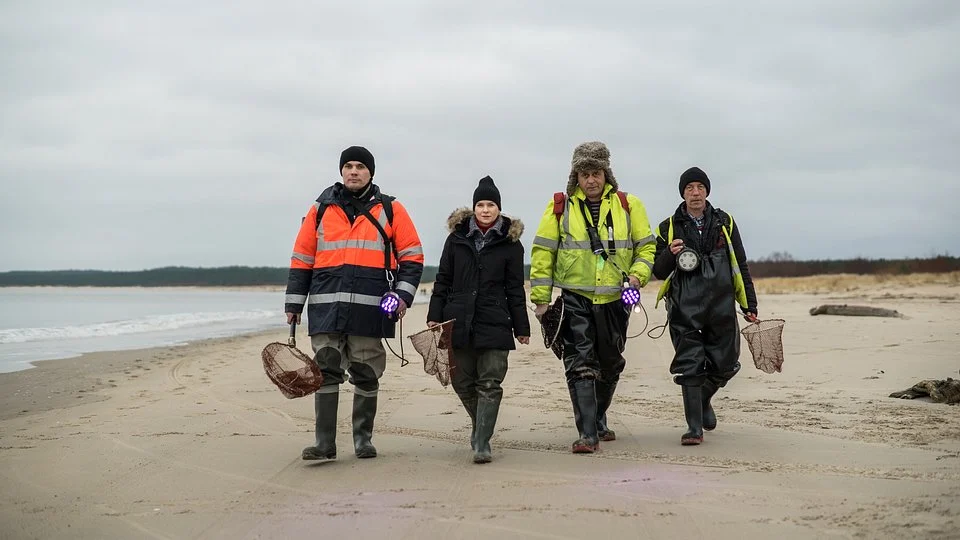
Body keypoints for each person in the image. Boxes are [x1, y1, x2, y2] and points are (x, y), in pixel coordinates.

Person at [285, 145, 424, 460]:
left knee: (365, 370)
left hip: (371, 307)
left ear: (370, 172)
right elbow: (301, 259)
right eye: (348, 166)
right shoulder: (319, 209)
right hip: (325, 306)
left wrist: (402, 296)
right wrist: (293, 305)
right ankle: (324, 444)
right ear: (341, 171)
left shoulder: (391, 209)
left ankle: (363, 440)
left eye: (360, 166)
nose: (354, 171)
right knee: (325, 368)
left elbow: (413, 258)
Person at [530, 142, 656, 454]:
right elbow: (543, 253)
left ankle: (598, 416)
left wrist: (638, 275)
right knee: (579, 363)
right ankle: (587, 433)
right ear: (576, 176)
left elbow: (647, 248)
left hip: (616, 299)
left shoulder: (630, 205)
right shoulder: (560, 206)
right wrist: (541, 299)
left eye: (596, 173)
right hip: (575, 297)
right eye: (585, 173)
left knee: (611, 363)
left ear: (606, 174)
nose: (591, 180)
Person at [427, 176, 531, 464]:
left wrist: (521, 327)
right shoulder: (456, 239)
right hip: (458, 319)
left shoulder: (511, 244)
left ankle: (482, 441)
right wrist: (435, 314)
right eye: (481, 204)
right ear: (474, 208)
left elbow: (515, 289)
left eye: (491, 204)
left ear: (499, 208)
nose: (485, 210)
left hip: (495, 320)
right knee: (462, 382)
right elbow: (443, 279)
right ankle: (480, 426)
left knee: (490, 383)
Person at [652, 166, 758, 445]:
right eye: (689, 188)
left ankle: (702, 400)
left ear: (707, 191)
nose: (695, 193)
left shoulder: (726, 222)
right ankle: (693, 428)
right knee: (690, 365)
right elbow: (658, 271)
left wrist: (750, 304)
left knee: (727, 362)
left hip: (721, 302)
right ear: (683, 193)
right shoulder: (668, 226)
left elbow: (740, 265)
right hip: (683, 304)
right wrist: (670, 254)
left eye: (700, 187)